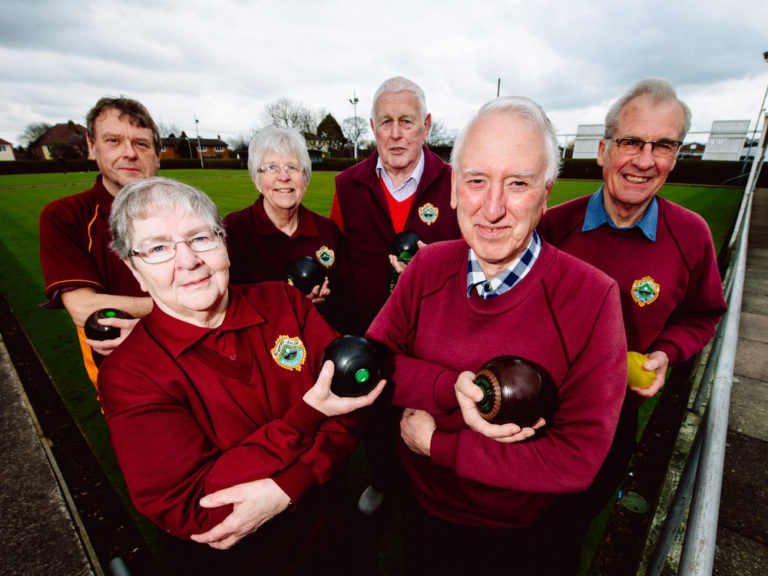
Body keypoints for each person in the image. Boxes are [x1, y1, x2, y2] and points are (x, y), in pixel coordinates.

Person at [365, 96, 628, 575]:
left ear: (546, 194)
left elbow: (577, 459)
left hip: (525, 537)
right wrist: (450, 386)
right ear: (452, 190)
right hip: (423, 513)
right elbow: (371, 364)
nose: (492, 208)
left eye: (518, 184)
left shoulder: (593, 298)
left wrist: (440, 446)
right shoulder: (426, 267)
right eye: (477, 180)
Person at [98, 177, 385, 575]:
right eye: (159, 248)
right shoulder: (130, 374)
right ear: (133, 268)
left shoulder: (284, 302)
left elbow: (356, 398)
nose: (188, 261)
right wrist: (307, 417)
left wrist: (292, 484)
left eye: (200, 238)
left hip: (332, 540)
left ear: (223, 241)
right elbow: (192, 508)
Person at [537, 78, 728, 572]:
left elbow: (703, 313)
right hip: (535, 401)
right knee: (515, 523)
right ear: (603, 150)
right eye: (631, 142)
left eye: (663, 145)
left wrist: (667, 350)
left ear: (675, 156)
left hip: (612, 416)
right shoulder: (552, 227)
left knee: (568, 530)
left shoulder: (691, 235)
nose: (645, 160)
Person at [330, 76, 461, 515]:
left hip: (437, 337)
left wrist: (435, 267)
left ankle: (433, 489)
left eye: (407, 120)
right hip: (372, 333)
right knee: (378, 414)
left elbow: (476, 256)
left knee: (434, 413)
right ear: (372, 126)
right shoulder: (348, 184)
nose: (396, 132)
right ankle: (385, 480)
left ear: (426, 125)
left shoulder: (456, 182)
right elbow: (342, 261)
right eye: (386, 121)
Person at [39, 96, 159, 386]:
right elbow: (83, 307)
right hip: (126, 374)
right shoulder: (65, 216)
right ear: (92, 148)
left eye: (141, 144)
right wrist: (180, 311)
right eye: (114, 141)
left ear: (157, 154)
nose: (129, 153)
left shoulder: (187, 210)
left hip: (198, 361)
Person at [224, 126, 353, 333]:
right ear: (257, 180)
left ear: (306, 178)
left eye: (293, 167)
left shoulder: (328, 231)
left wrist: (330, 296)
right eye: (271, 167)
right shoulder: (234, 231)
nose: (283, 177)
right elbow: (226, 303)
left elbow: (349, 301)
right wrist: (291, 302)